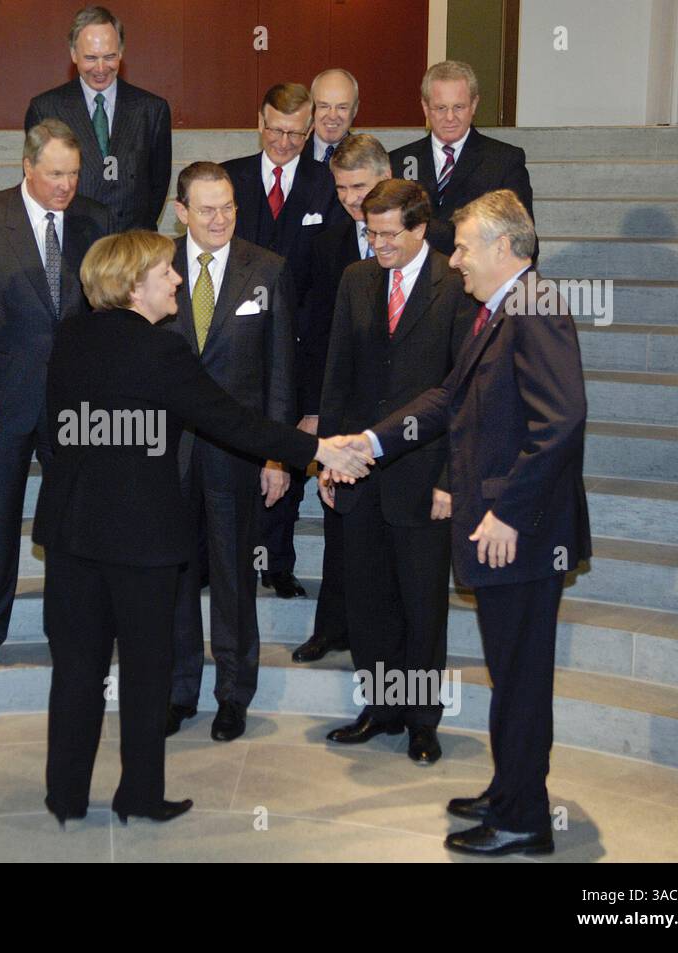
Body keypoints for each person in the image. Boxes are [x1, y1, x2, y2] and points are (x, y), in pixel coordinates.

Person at [35, 229, 373, 826]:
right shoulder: (161, 351)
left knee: (77, 669)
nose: (176, 280)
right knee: (146, 672)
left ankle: (64, 796)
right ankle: (137, 795)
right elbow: (231, 422)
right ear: (135, 283)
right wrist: (317, 449)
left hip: (70, 533)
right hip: (141, 540)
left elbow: (56, 434)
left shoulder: (70, 336)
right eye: (166, 271)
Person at [330, 190, 589, 855]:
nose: (456, 258)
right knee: (511, 674)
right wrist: (372, 441)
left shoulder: (532, 309)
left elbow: (559, 422)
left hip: (522, 537)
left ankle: (524, 819)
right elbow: (447, 398)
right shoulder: (497, 311)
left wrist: (507, 510)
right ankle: (510, 790)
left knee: (522, 680)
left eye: (467, 245)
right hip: (505, 531)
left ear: (506, 247)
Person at [319, 179, 476, 765]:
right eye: (370, 232)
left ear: (419, 229)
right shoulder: (356, 280)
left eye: (388, 235)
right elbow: (336, 375)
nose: (377, 244)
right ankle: (379, 709)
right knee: (368, 603)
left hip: (423, 475)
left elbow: (460, 392)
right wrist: (327, 462)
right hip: (358, 472)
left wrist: (450, 482)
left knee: (420, 606)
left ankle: (421, 721)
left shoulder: (456, 285)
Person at [0, 119, 111, 670]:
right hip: (5, 393)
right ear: (27, 167)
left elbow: (109, 311)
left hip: (75, 399)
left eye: (73, 174)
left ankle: (71, 624)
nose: (66, 185)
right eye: (54, 174)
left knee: (74, 515)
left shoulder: (94, 219)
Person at [163, 161, 296, 744]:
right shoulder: (151, 265)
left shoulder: (266, 269)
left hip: (237, 451)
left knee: (234, 575)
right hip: (164, 450)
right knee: (173, 577)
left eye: (229, 208)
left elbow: (279, 373)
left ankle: (233, 694)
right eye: (207, 209)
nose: (220, 219)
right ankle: (177, 691)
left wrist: (276, 456)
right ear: (181, 211)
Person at [222, 83, 337, 600]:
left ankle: (279, 564)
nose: (285, 142)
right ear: (259, 121)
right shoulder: (232, 178)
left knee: (287, 453)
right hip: (237, 343)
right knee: (232, 456)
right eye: (276, 129)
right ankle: (226, 560)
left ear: (310, 129)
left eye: (296, 132)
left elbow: (330, 275)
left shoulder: (327, 183)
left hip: (301, 342)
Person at [290, 133, 390, 663]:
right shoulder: (328, 241)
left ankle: (380, 636)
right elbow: (311, 332)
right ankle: (332, 626)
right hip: (341, 405)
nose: (352, 199)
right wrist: (312, 407)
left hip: (400, 410)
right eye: (343, 188)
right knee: (337, 517)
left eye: (361, 186)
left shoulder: (423, 234)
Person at [24, 5, 171, 231]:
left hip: (132, 247)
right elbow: (38, 184)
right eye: (91, 58)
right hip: (71, 243)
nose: (101, 68)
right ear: (73, 54)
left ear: (121, 52)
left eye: (110, 57)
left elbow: (158, 186)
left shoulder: (152, 110)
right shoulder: (45, 109)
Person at [389, 61, 533, 256]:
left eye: (458, 107)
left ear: (474, 105)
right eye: (440, 108)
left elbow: (524, 244)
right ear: (425, 107)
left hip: (476, 282)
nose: (450, 117)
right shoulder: (398, 162)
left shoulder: (504, 162)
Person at [303, 68, 359, 190]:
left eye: (342, 107)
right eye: (324, 106)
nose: (332, 116)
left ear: (355, 110)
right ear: (311, 108)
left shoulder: (367, 161)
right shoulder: (291, 154)